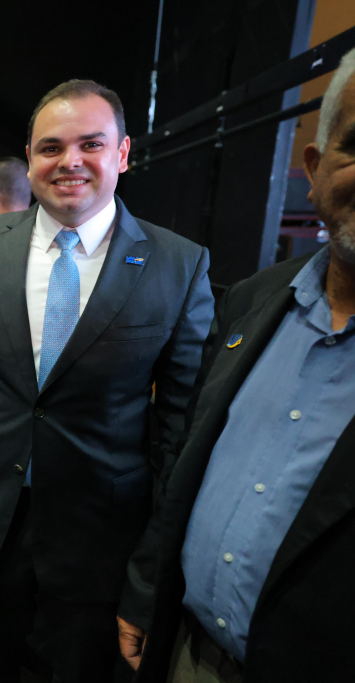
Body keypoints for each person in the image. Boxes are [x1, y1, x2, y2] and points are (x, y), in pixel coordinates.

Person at [0, 79, 214, 683]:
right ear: (30, 159)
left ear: (121, 154)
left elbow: (180, 433)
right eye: (51, 147)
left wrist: (152, 570)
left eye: (90, 144)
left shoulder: (179, 264)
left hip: (101, 549)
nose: (69, 161)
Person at [117, 48, 355, 683]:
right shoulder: (254, 300)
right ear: (315, 168)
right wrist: (148, 588)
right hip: (186, 652)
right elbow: (185, 455)